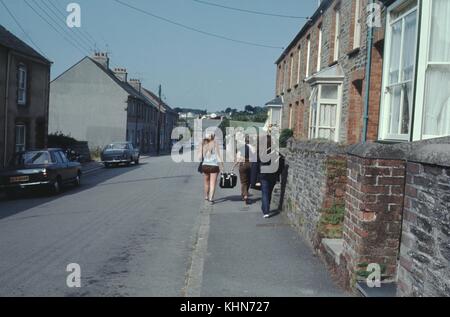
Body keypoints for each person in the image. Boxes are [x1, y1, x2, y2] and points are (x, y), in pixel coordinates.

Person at [257, 134, 283, 219]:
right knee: (269, 192)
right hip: (273, 175)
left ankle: (266, 210)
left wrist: (256, 179)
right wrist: (278, 174)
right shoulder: (275, 152)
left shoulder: (261, 152)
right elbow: (281, 164)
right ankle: (265, 207)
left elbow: (257, 166)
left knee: (265, 192)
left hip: (264, 176)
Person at [198, 133, 224, 204]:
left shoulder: (204, 144)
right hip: (214, 166)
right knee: (213, 183)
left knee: (206, 182)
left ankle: (206, 196)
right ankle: (211, 198)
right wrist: (222, 166)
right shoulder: (215, 144)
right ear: (213, 137)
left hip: (205, 165)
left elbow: (200, 157)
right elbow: (218, 156)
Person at [232, 135, 255, 204]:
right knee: (248, 181)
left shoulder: (241, 148)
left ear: (245, 140)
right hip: (251, 165)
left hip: (243, 165)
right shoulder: (254, 148)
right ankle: (245, 193)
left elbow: (238, 158)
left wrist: (234, 166)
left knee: (243, 182)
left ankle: (245, 195)